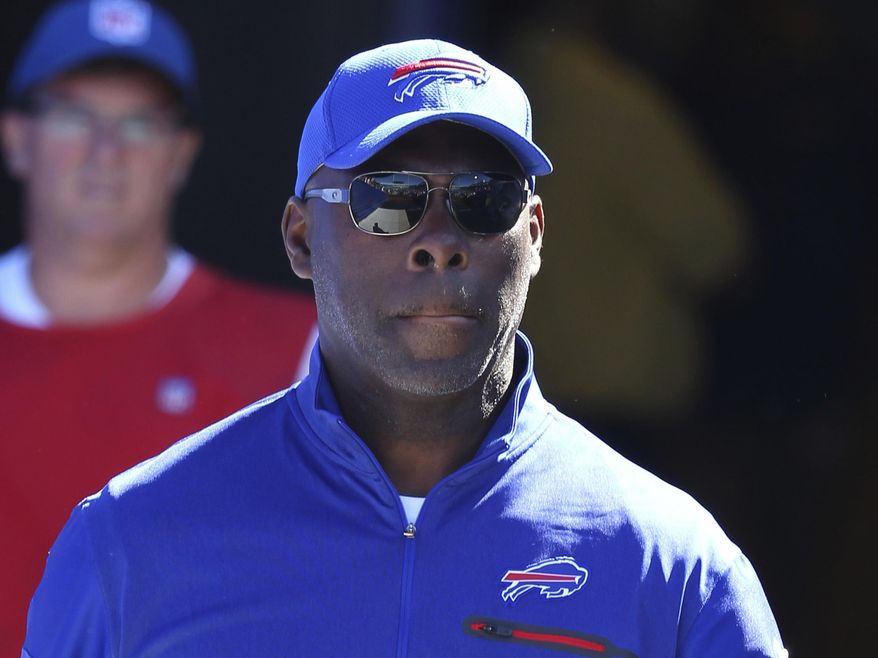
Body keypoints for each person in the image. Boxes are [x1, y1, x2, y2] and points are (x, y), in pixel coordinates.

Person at [22, 38, 785, 657]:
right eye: (387, 199)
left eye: (484, 201)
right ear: (300, 238)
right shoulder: (132, 541)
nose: (439, 244)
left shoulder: (673, 563)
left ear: (535, 235)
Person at [0, 1, 316, 651]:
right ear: (15, 136)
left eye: (139, 123)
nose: (105, 152)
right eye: (72, 115)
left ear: (181, 152)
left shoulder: (296, 353)